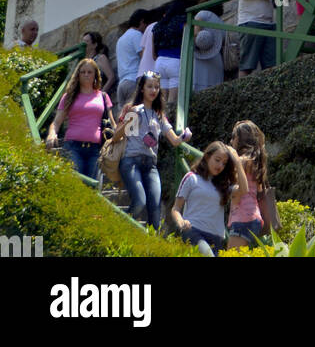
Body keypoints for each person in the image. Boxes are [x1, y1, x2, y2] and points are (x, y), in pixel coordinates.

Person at [112, 71, 188, 230]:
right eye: (149, 87)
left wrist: (184, 137)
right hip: (131, 160)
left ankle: (152, 246)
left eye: (156, 87)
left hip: (150, 164)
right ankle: (121, 229)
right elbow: (116, 137)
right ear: (142, 89)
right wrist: (130, 117)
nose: (153, 90)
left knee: (155, 208)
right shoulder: (132, 109)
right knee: (140, 201)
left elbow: (174, 140)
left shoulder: (159, 114)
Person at [171, 141, 245, 256]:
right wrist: (181, 222)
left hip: (216, 238)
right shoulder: (191, 178)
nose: (220, 165)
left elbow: (244, 190)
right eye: (217, 160)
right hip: (193, 231)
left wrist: (238, 163)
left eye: (224, 163)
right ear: (207, 157)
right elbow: (176, 208)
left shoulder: (224, 185)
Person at [45, 58, 115, 180]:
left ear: (95, 75)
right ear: (78, 75)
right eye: (83, 72)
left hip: (95, 149)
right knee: (77, 183)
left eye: (89, 72)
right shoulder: (69, 96)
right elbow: (56, 122)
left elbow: (112, 124)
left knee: (92, 188)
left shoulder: (103, 96)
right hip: (73, 147)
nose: (86, 75)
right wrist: (52, 134)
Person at [226, 120, 268, 249]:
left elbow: (238, 193)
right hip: (254, 217)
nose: (231, 141)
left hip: (242, 218)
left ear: (240, 139)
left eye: (233, 137)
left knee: (230, 253)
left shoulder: (240, 162)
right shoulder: (256, 163)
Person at [152, 1, 186, 115]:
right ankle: (170, 124)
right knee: (172, 101)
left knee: (162, 101)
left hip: (159, 62)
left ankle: (160, 126)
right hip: (175, 61)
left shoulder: (158, 26)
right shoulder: (182, 21)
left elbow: (153, 53)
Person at [115, 9, 149, 107]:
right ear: (142, 22)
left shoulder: (121, 39)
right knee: (135, 117)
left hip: (121, 84)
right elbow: (143, 57)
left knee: (123, 119)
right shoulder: (137, 35)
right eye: (146, 25)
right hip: (133, 81)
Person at [192, 9, 225, 91]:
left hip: (200, 57)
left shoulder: (203, 14)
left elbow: (195, 32)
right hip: (216, 56)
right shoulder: (221, 22)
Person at [82, 31, 115, 97]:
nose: (83, 44)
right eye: (83, 42)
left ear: (95, 45)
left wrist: (100, 94)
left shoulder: (100, 58)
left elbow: (111, 77)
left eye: (87, 41)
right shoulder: (84, 62)